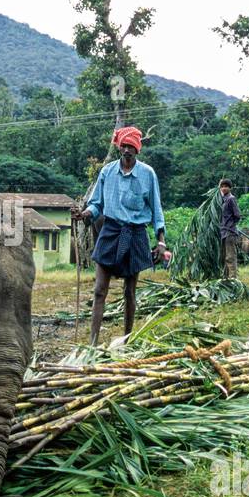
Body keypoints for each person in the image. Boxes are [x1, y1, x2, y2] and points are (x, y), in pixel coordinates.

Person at [72, 126, 166, 346]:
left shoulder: (147, 174)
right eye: (123, 146)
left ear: (137, 150)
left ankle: (127, 340)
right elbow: (96, 204)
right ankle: (93, 344)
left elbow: (157, 210)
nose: (126, 150)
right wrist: (83, 214)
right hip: (111, 231)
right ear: (119, 148)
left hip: (135, 234)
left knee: (129, 293)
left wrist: (161, 241)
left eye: (131, 146)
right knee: (99, 290)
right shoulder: (107, 172)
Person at [219, 179, 242, 279]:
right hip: (222, 233)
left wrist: (230, 225)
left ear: (230, 188)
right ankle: (225, 279)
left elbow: (237, 215)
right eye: (222, 186)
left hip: (230, 233)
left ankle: (233, 279)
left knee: (230, 257)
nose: (224, 188)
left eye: (226, 186)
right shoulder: (222, 199)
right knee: (223, 257)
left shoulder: (231, 199)